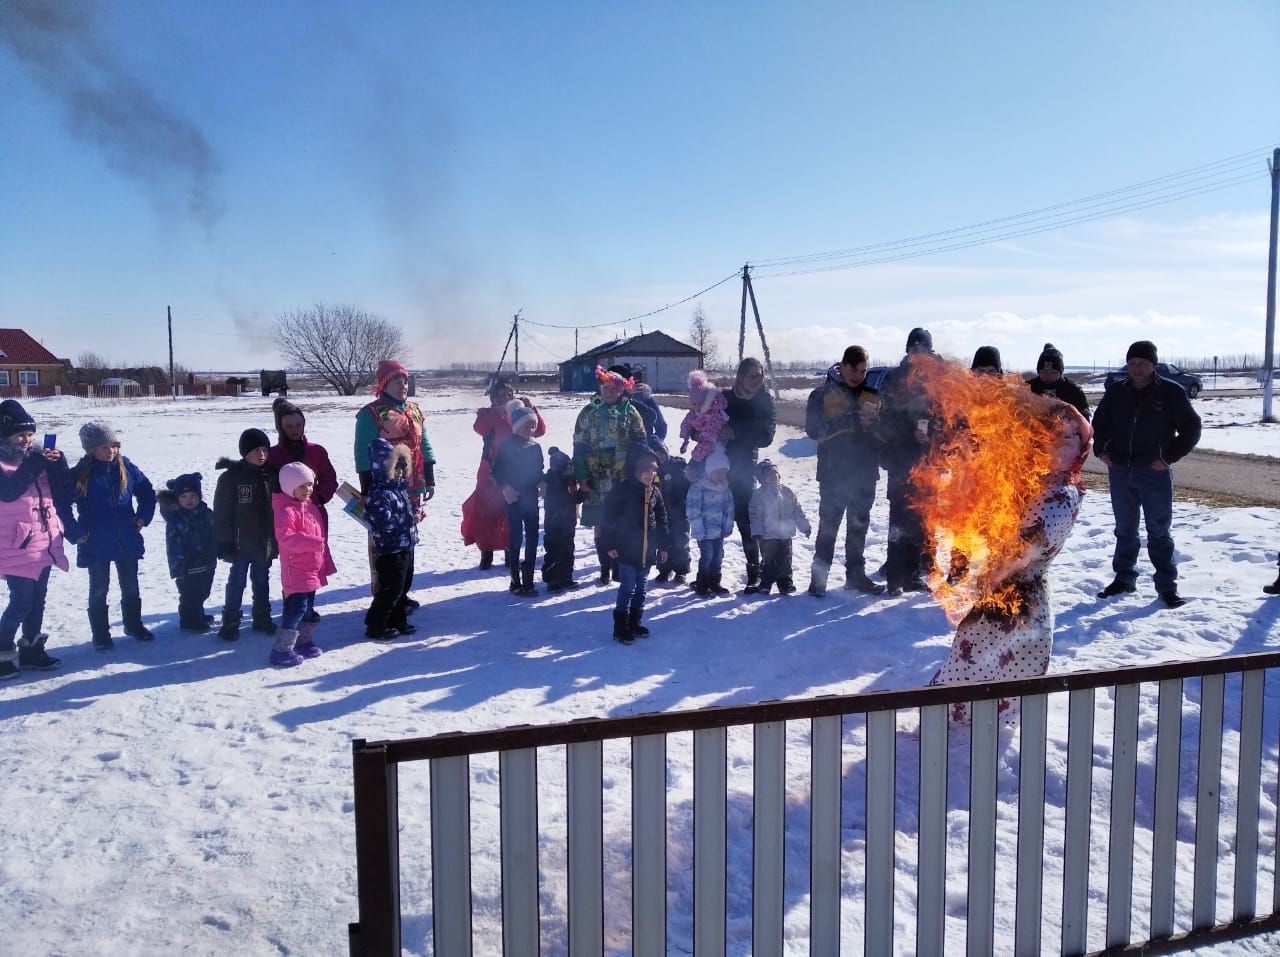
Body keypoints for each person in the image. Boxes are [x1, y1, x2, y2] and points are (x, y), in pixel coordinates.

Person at [930, 402, 1092, 723]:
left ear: (1081, 448)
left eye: (1068, 439)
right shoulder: (1039, 483)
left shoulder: (1061, 495)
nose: (1057, 443)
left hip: (1018, 603)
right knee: (973, 665)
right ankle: (958, 729)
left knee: (998, 674)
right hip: (1003, 594)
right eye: (1051, 435)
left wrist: (981, 574)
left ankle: (977, 742)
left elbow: (1023, 551)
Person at [1093, 340, 1202, 608]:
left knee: (1159, 531)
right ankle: (1124, 578)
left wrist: (1167, 458)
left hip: (1154, 473)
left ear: (1154, 365)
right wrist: (1101, 451)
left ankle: (1167, 587)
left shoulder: (1170, 393)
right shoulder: (1117, 392)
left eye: (1143, 364)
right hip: (1120, 471)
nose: (1137, 369)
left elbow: (1191, 427)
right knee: (1125, 530)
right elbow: (1099, 424)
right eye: (1132, 364)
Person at [65, 421, 156, 650]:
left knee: (131, 586)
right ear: (91, 450)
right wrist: (75, 532)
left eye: (114, 445)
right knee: (98, 588)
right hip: (96, 542)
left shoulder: (126, 467)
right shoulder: (80, 474)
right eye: (105, 447)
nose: (111, 451)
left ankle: (133, 625)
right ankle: (101, 635)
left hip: (126, 538)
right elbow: (60, 505)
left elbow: (147, 493)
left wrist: (143, 517)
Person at [354, 360, 436, 613]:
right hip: (384, 490)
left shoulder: (414, 410)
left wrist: (429, 477)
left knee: (407, 540)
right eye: (397, 380)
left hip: (412, 486)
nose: (404, 385)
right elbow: (362, 453)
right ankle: (384, 598)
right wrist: (368, 489)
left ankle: (402, 592)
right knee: (385, 543)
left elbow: (425, 445)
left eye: (405, 379)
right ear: (384, 384)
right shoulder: (371, 414)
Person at [805, 345, 884, 597]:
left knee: (858, 527)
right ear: (843, 365)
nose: (858, 375)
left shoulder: (873, 397)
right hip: (833, 474)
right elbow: (813, 430)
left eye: (863, 371)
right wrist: (849, 420)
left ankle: (855, 576)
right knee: (828, 528)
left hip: (864, 474)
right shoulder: (822, 395)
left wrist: (876, 425)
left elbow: (885, 436)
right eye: (854, 369)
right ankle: (818, 580)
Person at [0, 400, 69, 675]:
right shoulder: (4, 464)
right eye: (20, 435)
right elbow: (9, 492)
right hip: (15, 546)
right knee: (21, 603)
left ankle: (31, 649)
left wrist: (58, 464)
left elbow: (63, 492)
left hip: (44, 542)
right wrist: (36, 462)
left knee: (37, 602)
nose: (27, 441)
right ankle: (2, 654)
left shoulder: (36, 461)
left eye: (30, 435)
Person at [876, 328, 939, 596]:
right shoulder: (894, 378)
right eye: (913, 349)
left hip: (926, 461)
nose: (917, 355)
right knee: (899, 519)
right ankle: (894, 576)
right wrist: (907, 432)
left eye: (922, 349)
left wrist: (931, 432)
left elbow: (945, 417)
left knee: (920, 520)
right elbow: (886, 419)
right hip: (901, 459)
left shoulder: (938, 380)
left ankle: (912, 575)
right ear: (907, 351)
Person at [572, 365, 647, 584]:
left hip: (622, 476)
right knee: (601, 523)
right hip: (597, 476)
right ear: (600, 388)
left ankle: (618, 567)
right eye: (606, 387)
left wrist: (638, 472)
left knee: (621, 522)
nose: (610, 392)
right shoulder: (589, 411)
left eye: (615, 388)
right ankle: (605, 567)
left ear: (622, 390)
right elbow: (579, 444)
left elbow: (641, 441)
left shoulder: (630, 411)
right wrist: (582, 474)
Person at [462, 376, 545, 570]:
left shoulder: (519, 414)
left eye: (509, 394)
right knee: (485, 513)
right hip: (489, 470)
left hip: (514, 472)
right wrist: (498, 410)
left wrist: (531, 408)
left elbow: (539, 431)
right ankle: (486, 552)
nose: (507, 398)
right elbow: (480, 428)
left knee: (510, 513)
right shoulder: (488, 414)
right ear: (494, 398)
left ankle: (510, 551)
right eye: (502, 395)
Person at [214, 428, 278, 640]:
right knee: (237, 582)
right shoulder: (231, 479)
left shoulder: (272, 475)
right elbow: (221, 513)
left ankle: (262, 617)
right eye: (256, 451)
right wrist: (224, 542)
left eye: (265, 450)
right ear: (244, 452)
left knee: (262, 580)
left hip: (264, 543)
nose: (261, 455)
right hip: (240, 544)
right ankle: (230, 621)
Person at [599, 448, 669, 644]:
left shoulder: (655, 492)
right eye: (646, 470)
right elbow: (608, 519)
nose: (651, 474)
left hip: (647, 551)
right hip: (626, 549)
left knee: (641, 588)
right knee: (628, 587)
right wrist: (610, 543)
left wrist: (664, 546)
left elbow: (662, 520)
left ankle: (635, 623)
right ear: (636, 470)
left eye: (654, 470)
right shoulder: (622, 491)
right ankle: (620, 627)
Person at [269, 462, 334, 666]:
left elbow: (320, 535)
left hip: (311, 569)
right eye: (302, 486)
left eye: (310, 485)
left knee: (308, 608)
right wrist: (313, 543)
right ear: (289, 487)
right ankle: (282, 649)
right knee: (296, 608)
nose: (308, 490)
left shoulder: (310, 507)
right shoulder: (285, 510)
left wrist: (323, 559)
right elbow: (286, 537)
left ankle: (304, 641)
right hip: (295, 569)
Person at [722, 357, 776, 593]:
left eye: (760, 375)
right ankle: (707, 572)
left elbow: (766, 435)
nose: (757, 380)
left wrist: (734, 433)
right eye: (752, 375)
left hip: (744, 466)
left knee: (746, 521)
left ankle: (756, 571)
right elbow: (701, 426)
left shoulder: (764, 401)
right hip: (716, 465)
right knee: (711, 521)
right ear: (741, 376)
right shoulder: (724, 398)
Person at [362, 438, 419, 639]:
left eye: (403, 468)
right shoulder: (379, 494)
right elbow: (383, 523)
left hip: (404, 545)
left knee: (403, 586)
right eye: (396, 468)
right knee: (391, 589)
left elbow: (403, 516)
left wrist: (414, 516)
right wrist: (407, 520)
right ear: (383, 468)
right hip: (389, 550)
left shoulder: (399, 491)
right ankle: (376, 625)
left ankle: (397, 619)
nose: (401, 473)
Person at [492, 403, 545, 596]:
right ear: (516, 426)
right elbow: (496, 471)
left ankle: (529, 580)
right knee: (516, 538)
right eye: (526, 425)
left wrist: (542, 483)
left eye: (533, 425)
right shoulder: (506, 446)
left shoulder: (536, 446)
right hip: (513, 498)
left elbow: (539, 470)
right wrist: (505, 487)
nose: (530, 428)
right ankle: (515, 580)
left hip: (531, 498)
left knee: (532, 538)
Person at [157, 472, 217, 634]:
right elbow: (173, 545)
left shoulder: (206, 513)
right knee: (190, 594)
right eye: (183, 496)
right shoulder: (176, 519)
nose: (189, 500)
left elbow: (215, 533)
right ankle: (189, 621)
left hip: (206, 562)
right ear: (177, 498)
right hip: (187, 566)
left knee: (203, 591)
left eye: (193, 495)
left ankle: (198, 615)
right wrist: (178, 567)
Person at [748, 459, 811, 596]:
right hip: (768, 535)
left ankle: (785, 583)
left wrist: (804, 527)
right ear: (762, 479)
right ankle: (766, 583)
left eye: (775, 474)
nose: (773, 477)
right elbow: (755, 515)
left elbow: (797, 511)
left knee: (785, 560)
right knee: (768, 560)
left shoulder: (787, 492)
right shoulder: (759, 495)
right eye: (769, 475)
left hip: (785, 534)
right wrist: (757, 532)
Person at [686, 448, 735, 597]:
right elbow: (693, 510)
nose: (721, 476)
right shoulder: (698, 487)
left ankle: (715, 582)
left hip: (719, 531)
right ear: (709, 471)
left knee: (718, 556)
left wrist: (727, 526)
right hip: (704, 532)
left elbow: (729, 508)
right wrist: (698, 530)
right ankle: (702, 584)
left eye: (724, 473)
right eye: (717, 472)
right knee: (707, 556)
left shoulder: (725, 488)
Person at [541, 447, 586, 593]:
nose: (570, 469)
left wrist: (584, 490)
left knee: (567, 550)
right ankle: (552, 580)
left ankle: (566, 577)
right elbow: (567, 498)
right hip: (554, 523)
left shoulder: (569, 480)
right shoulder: (551, 480)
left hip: (568, 523)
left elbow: (576, 498)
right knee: (554, 551)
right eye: (567, 467)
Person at [653, 447, 692, 585]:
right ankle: (664, 570)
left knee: (680, 541)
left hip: (680, 512)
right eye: (656, 454)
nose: (660, 456)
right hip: (661, 513)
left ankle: (681, 571)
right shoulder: (653, 470)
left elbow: (688, 484)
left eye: (661, 453)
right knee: (663, 542)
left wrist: (682, 503)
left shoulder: (677, 466)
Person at [679, 369, 729, 469]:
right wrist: (685, 439)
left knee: (708, 469)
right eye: (693, 403)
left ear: (707, 401)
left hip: (716, 447)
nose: (696, 407)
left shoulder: (714, 417)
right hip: (702, 445)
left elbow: (709, 439)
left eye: (700, 403)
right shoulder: (695, 413)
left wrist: (695, 458)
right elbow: (686, 423)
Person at [1027, 343, 1090, 420]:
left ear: (1060, 372)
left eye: (1053, 372)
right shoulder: (1029, 388)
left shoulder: (1074, 391)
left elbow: (1084, 420)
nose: (1048, 376)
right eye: (1044, 372)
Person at [608, 363, 668, 445]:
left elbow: (661, 426)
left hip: (638, 450)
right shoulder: (600, 402)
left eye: (622, 383)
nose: (613, 390)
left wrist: (651, 444)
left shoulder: (644, 397)